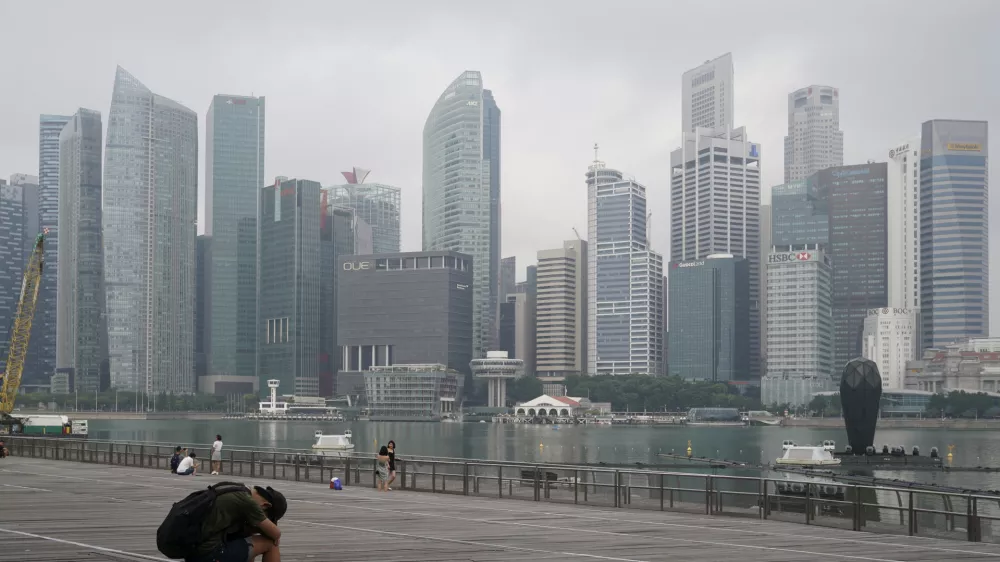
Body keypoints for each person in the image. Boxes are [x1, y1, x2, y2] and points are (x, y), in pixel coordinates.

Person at [188, 484, 286, 562]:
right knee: (270, 543)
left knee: (247, 539)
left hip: (192, 552)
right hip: (209, 555)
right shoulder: (249, 502)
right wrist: (270, 534)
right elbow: (276, 534)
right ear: (266, 505)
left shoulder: (235, 488)